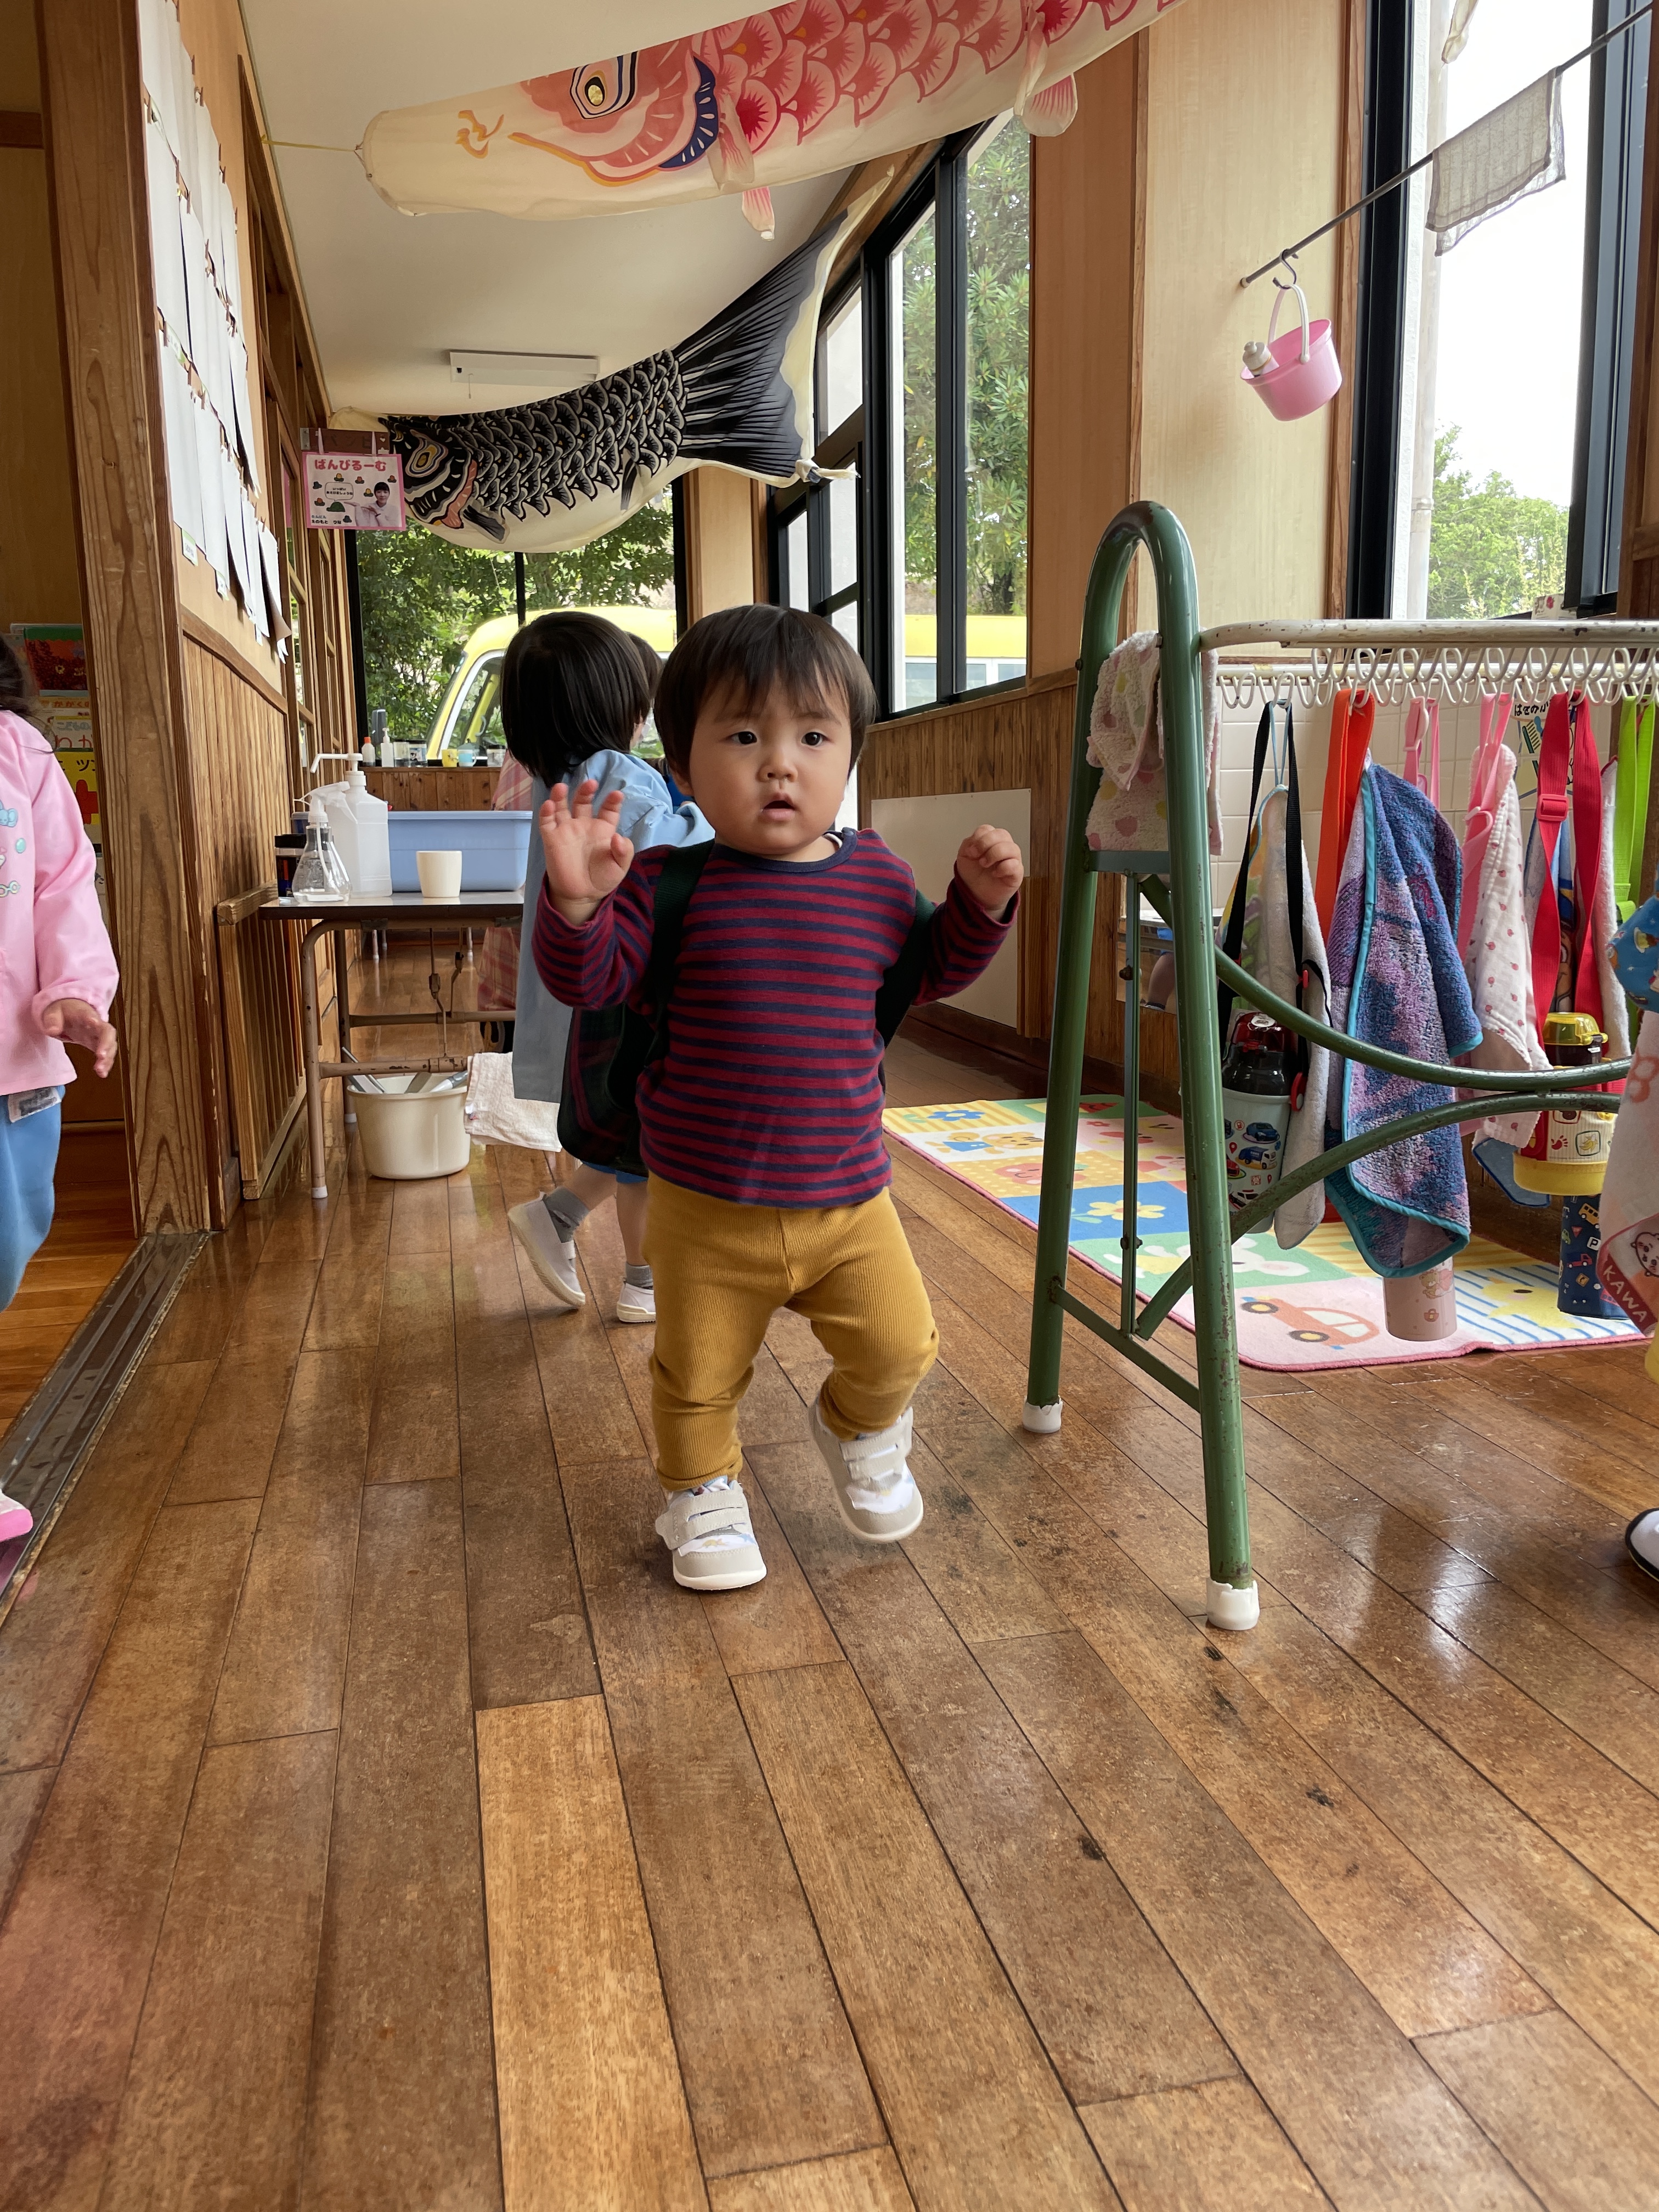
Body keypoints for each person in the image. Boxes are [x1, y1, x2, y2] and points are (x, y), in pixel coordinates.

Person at [533, 603, 1023, 1591]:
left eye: (812, 737)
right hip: (705, 1205)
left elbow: (929, 968)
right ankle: (700, 1491)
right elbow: (592, 981)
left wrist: (979, 907)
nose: (779, 765)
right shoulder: (667, 885)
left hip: (850, 1197)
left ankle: (855, 1424)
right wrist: (579, 905)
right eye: (744, 737)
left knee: (901, 1345)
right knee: (697, 1373)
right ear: (682, 764)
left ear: (850, 756)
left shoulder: (876, 877)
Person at [501, 612, 709, 1325]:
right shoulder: (620, 776)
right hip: (622, 993)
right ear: (619, 704)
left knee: (627, 1133)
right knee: (643, 1149)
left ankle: (557, 1214)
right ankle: (643, 1281)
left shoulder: (553, 779)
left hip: (580, 984)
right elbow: (685, 850)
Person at [0, 635, 119, 1546]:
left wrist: (75, 992)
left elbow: (64, 887)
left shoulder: (21, 753)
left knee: (8, 1249)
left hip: (17, 1069)